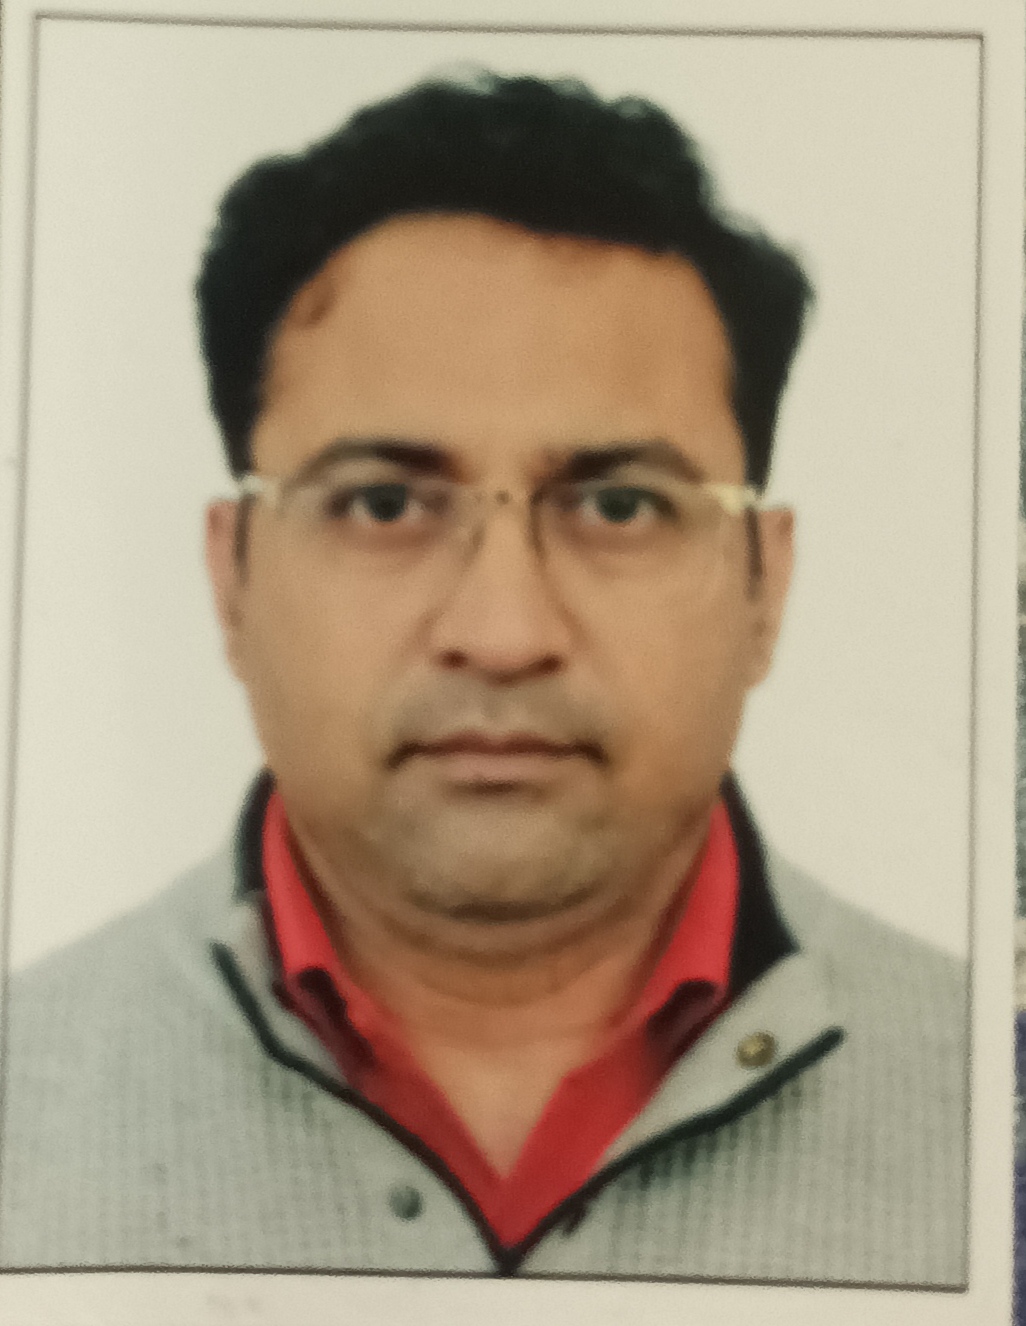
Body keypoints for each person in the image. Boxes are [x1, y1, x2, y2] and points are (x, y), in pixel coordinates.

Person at [0, 69, 966, 1283]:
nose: (503, 633)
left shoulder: (992, 1111)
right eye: (384, 504)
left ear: (764, 587)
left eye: (619, 505)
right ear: (231, 577)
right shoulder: (21, 1106)